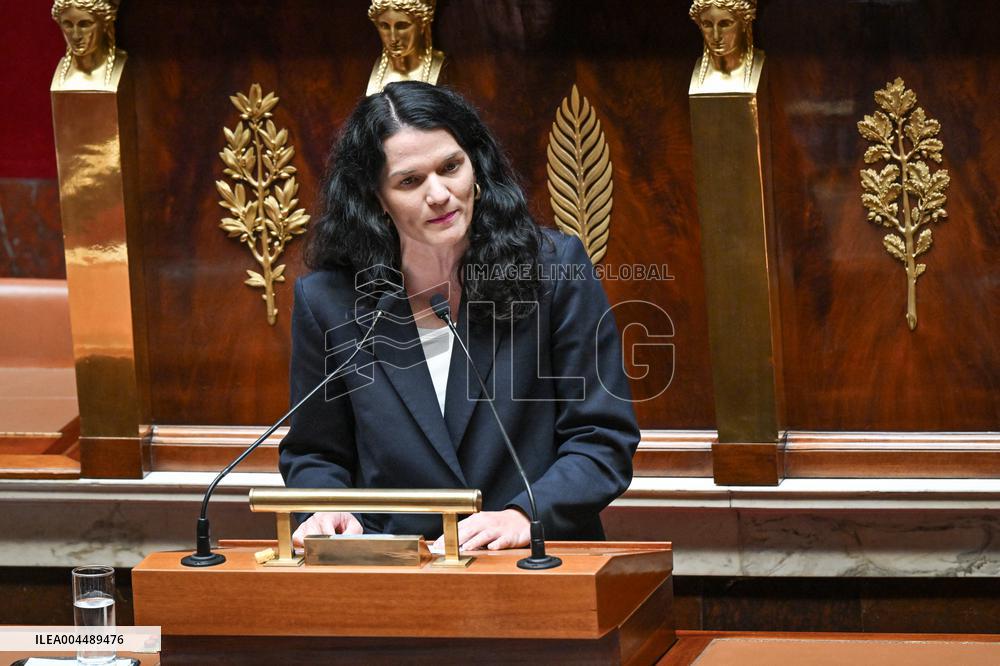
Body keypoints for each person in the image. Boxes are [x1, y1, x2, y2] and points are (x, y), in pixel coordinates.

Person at [279, 81, 639, 552]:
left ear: (477, 164)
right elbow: (315, 452)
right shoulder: (330, 301)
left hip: (536, 560)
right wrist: (325, 507)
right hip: (397, 570)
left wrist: (525, 516)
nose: (440, 194)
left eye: (451, 167)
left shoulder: (553, 270)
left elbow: (602, 436)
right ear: (375, 199)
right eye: (410, 181)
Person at [366, 0, 445, 95]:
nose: (393, 38)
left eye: (402, 26)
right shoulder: (377, 70)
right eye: (384, 26)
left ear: (423, 24)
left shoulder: (440, 66)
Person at [689, 0, 761, 93]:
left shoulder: (760, 65)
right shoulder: (695, 73)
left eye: (725, 24)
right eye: (707, 25)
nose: (716, 36)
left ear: (744, 23)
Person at [51, 0, 124, 91]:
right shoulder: (61, 76)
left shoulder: (121, 66)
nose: (76, 36)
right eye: (68, 25)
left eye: (85, 24)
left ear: (105, 23)